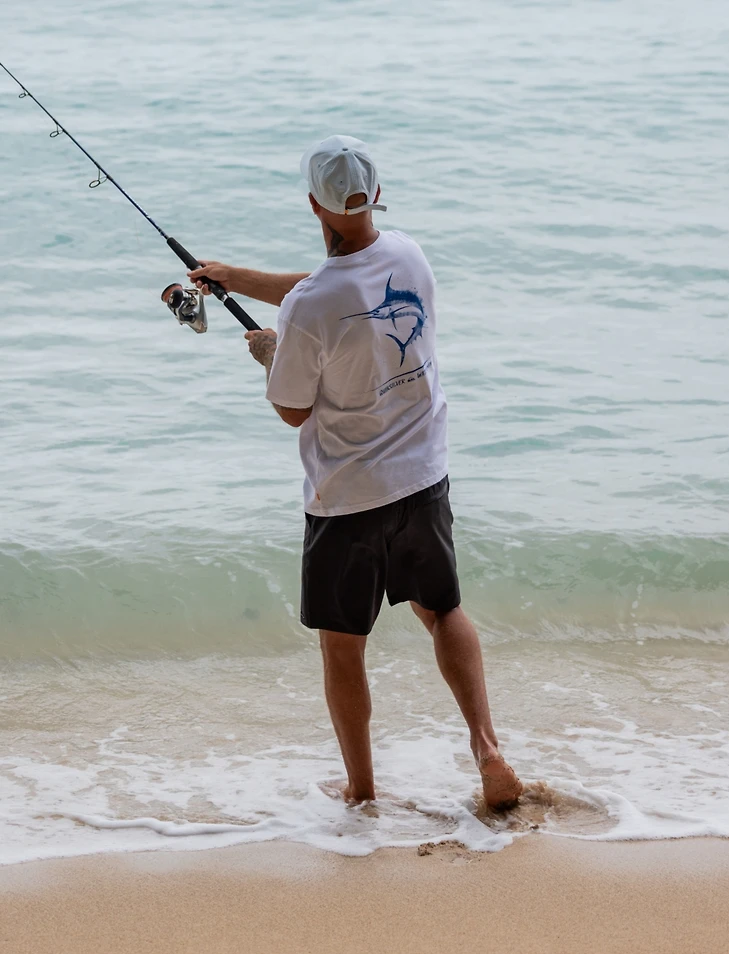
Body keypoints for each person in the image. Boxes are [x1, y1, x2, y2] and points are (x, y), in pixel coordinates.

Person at [189, 135, 522, 809]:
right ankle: (487, 748)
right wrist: (235, 277)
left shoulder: (309, 308)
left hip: (347, 499)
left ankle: (362, 792)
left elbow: (293, 409)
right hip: (423, 479)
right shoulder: (407, 254)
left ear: (313, 204)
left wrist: (271, 354)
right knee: (443, 610)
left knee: (343, 649)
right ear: (375, 195)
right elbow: (335, 290)